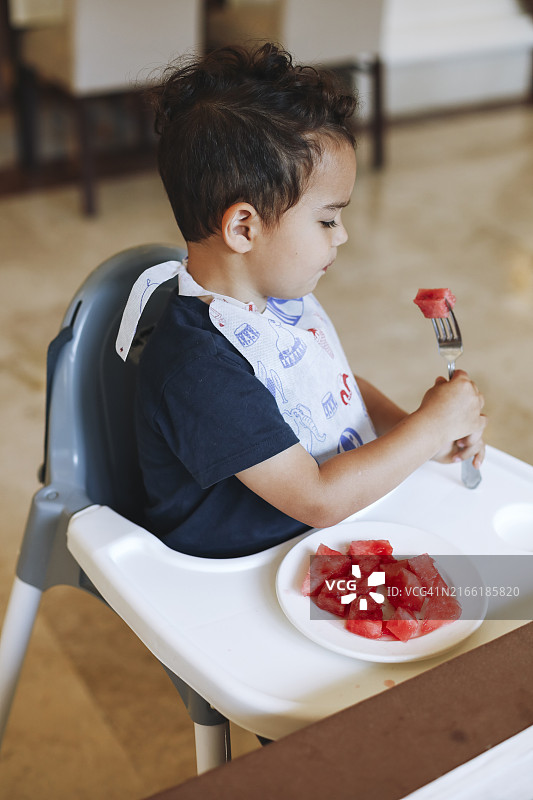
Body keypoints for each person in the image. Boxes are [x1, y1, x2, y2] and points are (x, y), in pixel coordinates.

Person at [117, 43, 486, 558]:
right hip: (243, 568)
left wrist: (410, 427)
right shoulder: (197, 368)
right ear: (244, 228)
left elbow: (327, 384)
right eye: (328, 219)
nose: (342, 237)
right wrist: (429, 431)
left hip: (319, 538)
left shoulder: (275, 299)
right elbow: (317, 500)